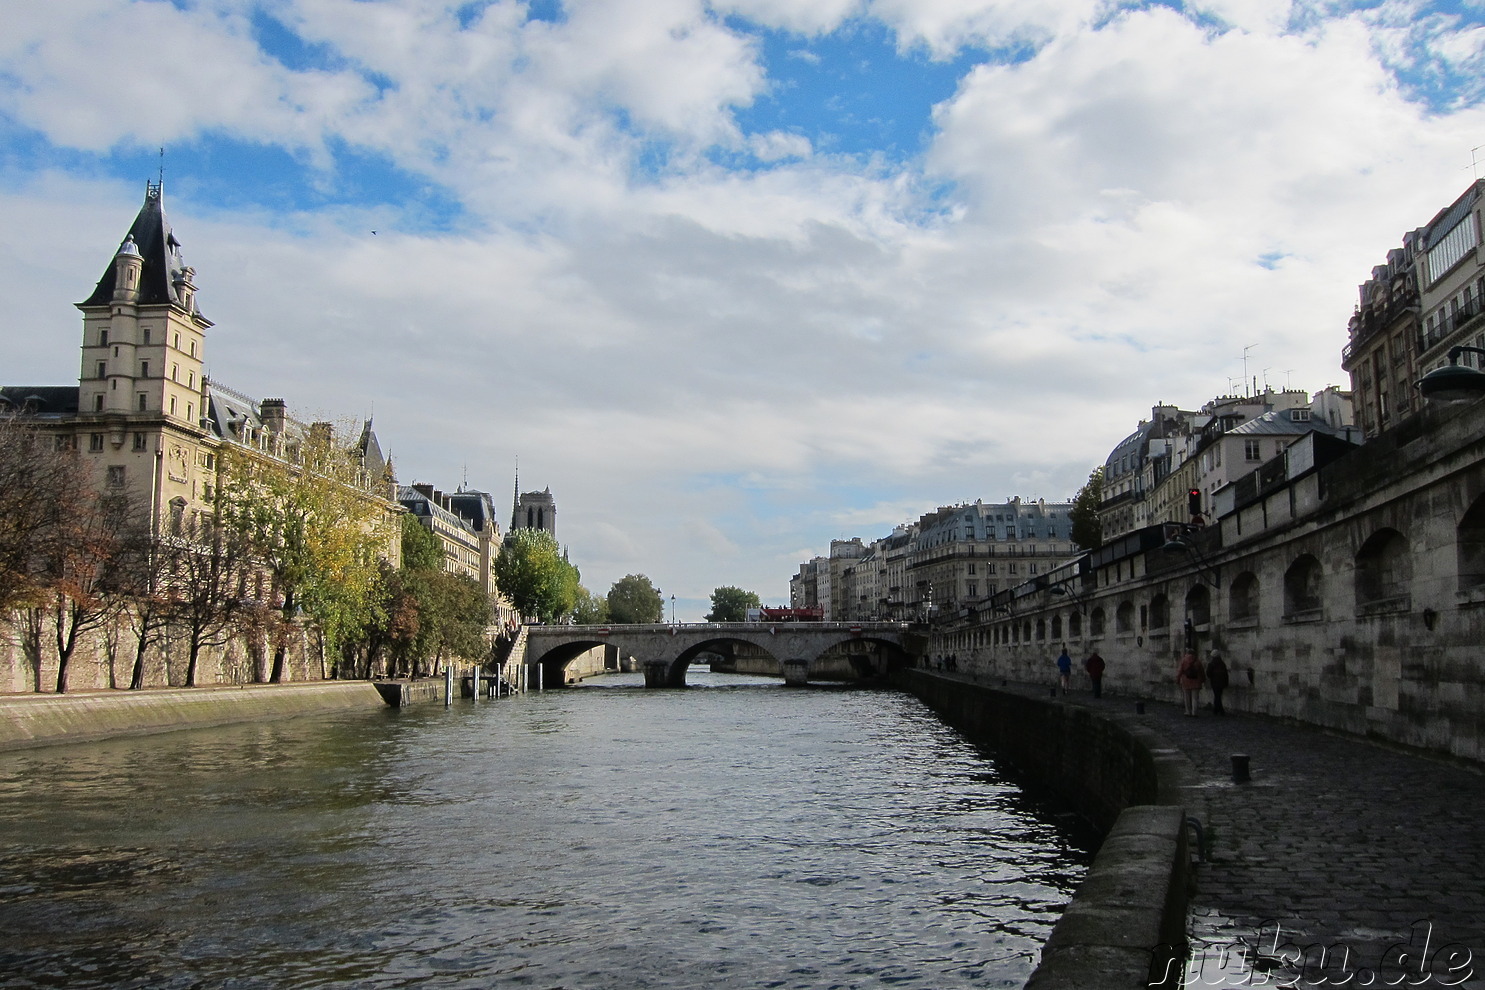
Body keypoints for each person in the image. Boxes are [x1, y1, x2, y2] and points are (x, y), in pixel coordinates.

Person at [1176, 649, 1204, 716]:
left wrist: (1177, 679)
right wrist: (1203, 680)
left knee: (1187, 697)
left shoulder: (1183, 661)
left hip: (1186, 681)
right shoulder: (1198, 661)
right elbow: (1202, 672)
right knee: (1195, 698)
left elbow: (1179, 671)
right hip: (1196, 681)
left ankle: (1188, 711)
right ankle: (1195, 712)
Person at [1207, 651, 1229, 715]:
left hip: (1215, 682)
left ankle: (1221, 710)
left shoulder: (1211, 664)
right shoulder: (1222, 663)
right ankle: (1216, 710)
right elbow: (1225, 674)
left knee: (1217, 696)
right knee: (1218, 695)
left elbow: (1208, 673)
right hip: (1222, 682)